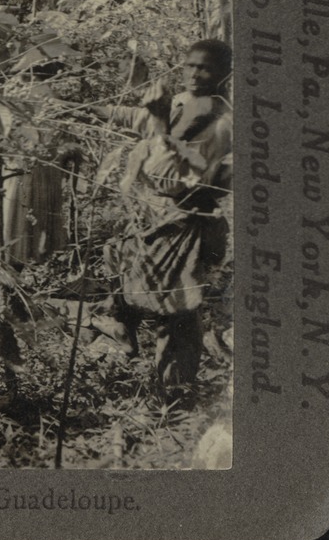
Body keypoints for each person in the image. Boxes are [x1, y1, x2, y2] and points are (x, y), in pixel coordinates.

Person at [100, 39, 233, 392]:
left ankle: (175, 394)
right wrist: (86, 109)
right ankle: (123, 330)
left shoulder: (221, 124)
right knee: (117, 258)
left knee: (175, 312)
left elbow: (172, 180)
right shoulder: (184, 102)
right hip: (154, 214)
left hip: (185, 221)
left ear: (224, 74)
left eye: (205, 68)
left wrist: (158, 122)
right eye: (190, 65)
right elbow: (139, 118)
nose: (194, 73)